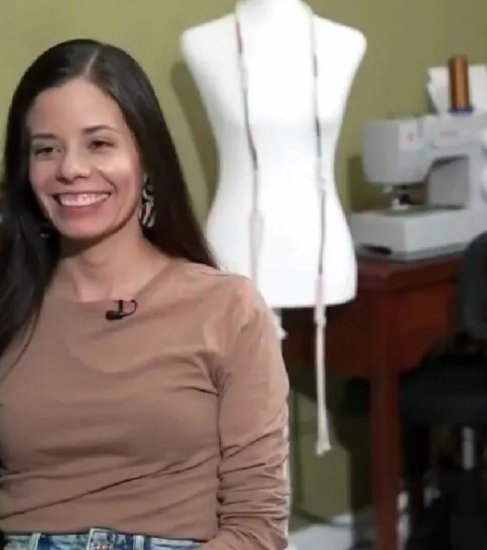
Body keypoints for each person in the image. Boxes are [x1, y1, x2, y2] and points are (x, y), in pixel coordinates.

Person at [0, 39, 289, 550]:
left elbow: (256, 526)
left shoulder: (227, 308)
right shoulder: (10, 304)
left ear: (147, 157)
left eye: (99, 144)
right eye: (47, 149)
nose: (70, 169)